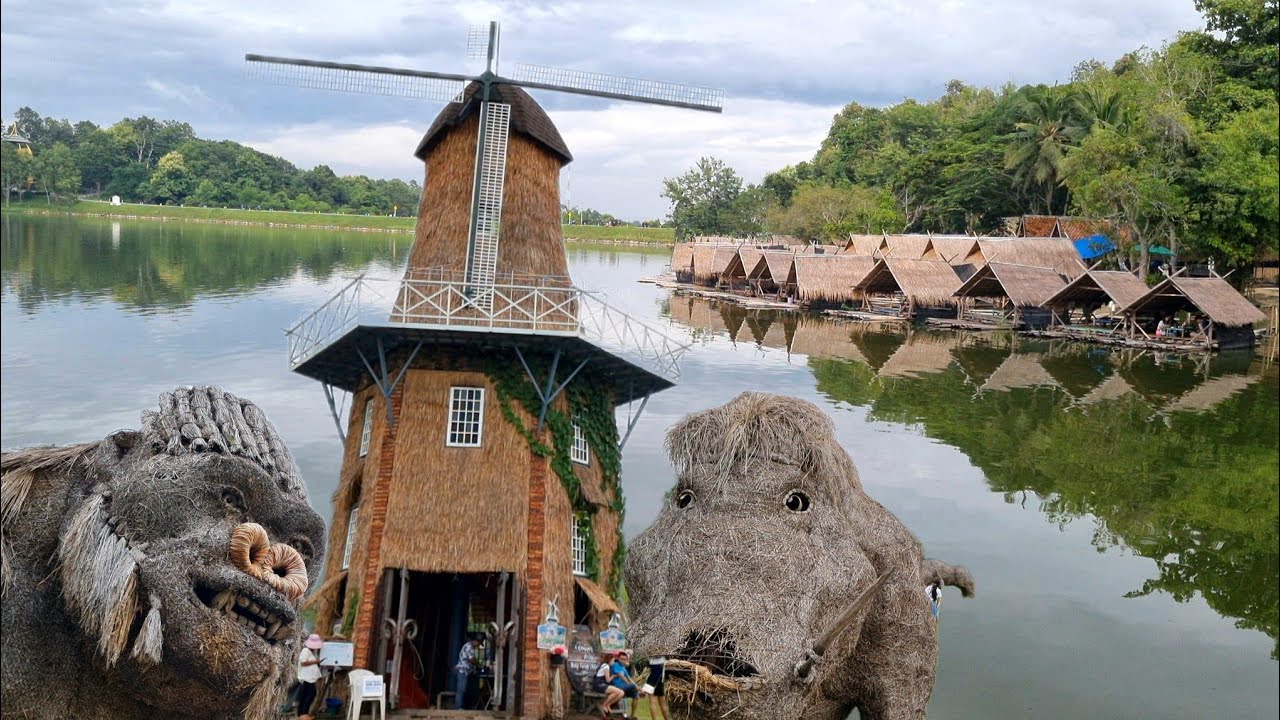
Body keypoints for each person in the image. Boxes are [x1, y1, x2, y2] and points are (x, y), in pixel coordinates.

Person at [295, 633, 324, 720]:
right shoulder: (306, 651)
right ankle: (303, 714)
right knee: (310, 695)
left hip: (309, 678)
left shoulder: (311, 652)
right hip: (306, 678)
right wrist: (316, 662)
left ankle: (302, 714)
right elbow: (303, 662)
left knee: (306, 695)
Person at [608, 650, 641, 718]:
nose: (623, 661)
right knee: (633, 686)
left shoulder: (623, 668)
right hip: (616, 686)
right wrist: (632, 686)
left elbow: (629, 678)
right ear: (618, 658)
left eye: (624, 659)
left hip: (624, 687)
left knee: (636, 695)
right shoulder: (615, 665)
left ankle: (632, 716)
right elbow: (622, 677)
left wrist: (637, 687)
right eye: (621, 659)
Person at [454, 635, 482, 709]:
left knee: (464, 690)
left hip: (466, 671)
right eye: (479, 644)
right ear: (476, 641)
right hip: (462, 671)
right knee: (461, 690)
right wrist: (479, 665)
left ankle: (461, 706)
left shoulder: (470, 646)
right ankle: (458, 707)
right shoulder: (469, 646)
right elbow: (471, 659)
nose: (478, 646)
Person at [595, 652, 624, 716]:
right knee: (617, 692)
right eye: (613, 660)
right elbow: (608, 680)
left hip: (603, 685)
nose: (613, 662)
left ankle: (608, 704)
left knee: (621, 693)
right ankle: (604, 705)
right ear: (609, 660)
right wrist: (613, 676)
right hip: (600, 685)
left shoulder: (606, 666)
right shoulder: (606, 666)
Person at [644, 654, 671, 720]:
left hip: (650, 682)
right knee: (663, 705)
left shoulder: (650, 660)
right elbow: (667, 674)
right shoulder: (665, 660)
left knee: (652, 703)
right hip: (659, 683)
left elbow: (647, 669)